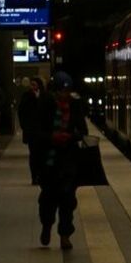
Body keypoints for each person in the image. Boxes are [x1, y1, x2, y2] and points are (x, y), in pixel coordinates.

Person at [35, 72, 88, 251]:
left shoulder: (75, 106)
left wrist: (71, 136)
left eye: (66, 91)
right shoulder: (45, 105)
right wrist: (52, 137)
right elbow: (36, 132)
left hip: (68, 160)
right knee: (48, 198)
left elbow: (83, 130)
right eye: (60, 91)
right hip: (49, 161)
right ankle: (47, 225)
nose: (64, 95)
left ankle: (65, 235)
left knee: (68, 200)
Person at [16, 77, 47, 185]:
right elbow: (21, 111)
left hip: (42, 130)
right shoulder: (27, 96)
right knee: (33, 154)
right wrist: (24, 126)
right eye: (31, 84)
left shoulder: (44, 96)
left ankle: (41, 175)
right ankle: (35, 177)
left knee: (42, 154)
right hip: (32, 130)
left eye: (34, 84)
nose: (32, 87)